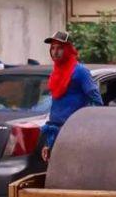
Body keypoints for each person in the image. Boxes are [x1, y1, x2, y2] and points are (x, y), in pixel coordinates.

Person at [40, 30, 102, 161]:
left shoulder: (80, 71)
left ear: (68, 49)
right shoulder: (56, 72)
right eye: (53, 48)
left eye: (60, 48)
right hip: (54, 131)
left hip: (73, 132)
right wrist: (47, 143)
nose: (55, 52)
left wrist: (89, 127)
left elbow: (96, 100)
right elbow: (56, 105)